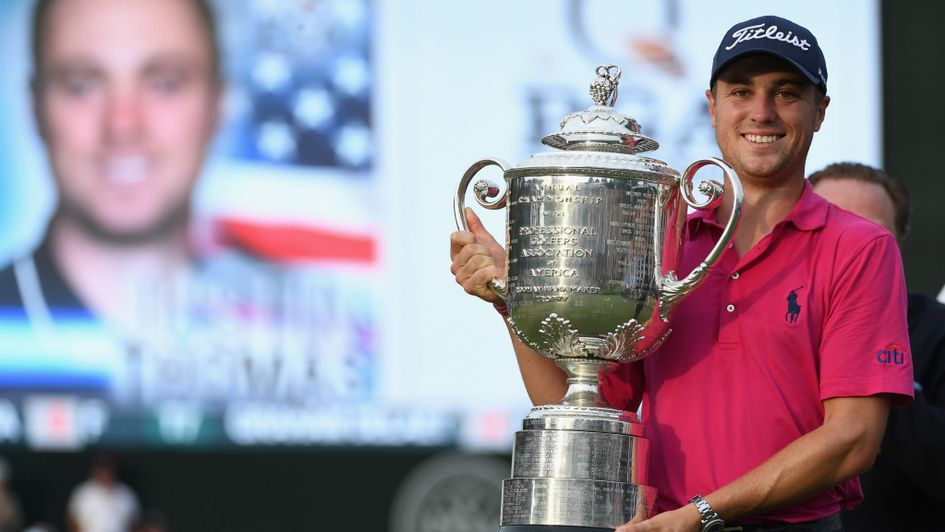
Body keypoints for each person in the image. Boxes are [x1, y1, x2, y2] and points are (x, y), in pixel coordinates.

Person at [450, 15, 914, 532]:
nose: (762, 112)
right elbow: (586, 404)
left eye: (785, 93)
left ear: (819, 110)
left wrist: (702, 515)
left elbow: (854, 440)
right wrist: (512, 296)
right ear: (713, 106)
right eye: (742, 91)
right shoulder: (661, 242)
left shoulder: (860, 247)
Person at [0, 0, 222, 338]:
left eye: (165, 83)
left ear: (217, 104)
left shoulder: (302, 338)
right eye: (82, 86)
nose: (122, 125)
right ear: (35, 107)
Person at [809, 162, 945, 531]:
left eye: (867, 234)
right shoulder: (751, 317)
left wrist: (876, 380)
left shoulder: (937, 328)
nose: (846, 249)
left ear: (896, 246)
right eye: (827, 230)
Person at [67, 455, 140, 532]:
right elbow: (73, 521)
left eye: (108, 469)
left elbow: (134, 522)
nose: (105, 473)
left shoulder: (126, 493)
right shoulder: (83, 492)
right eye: (102, 469)